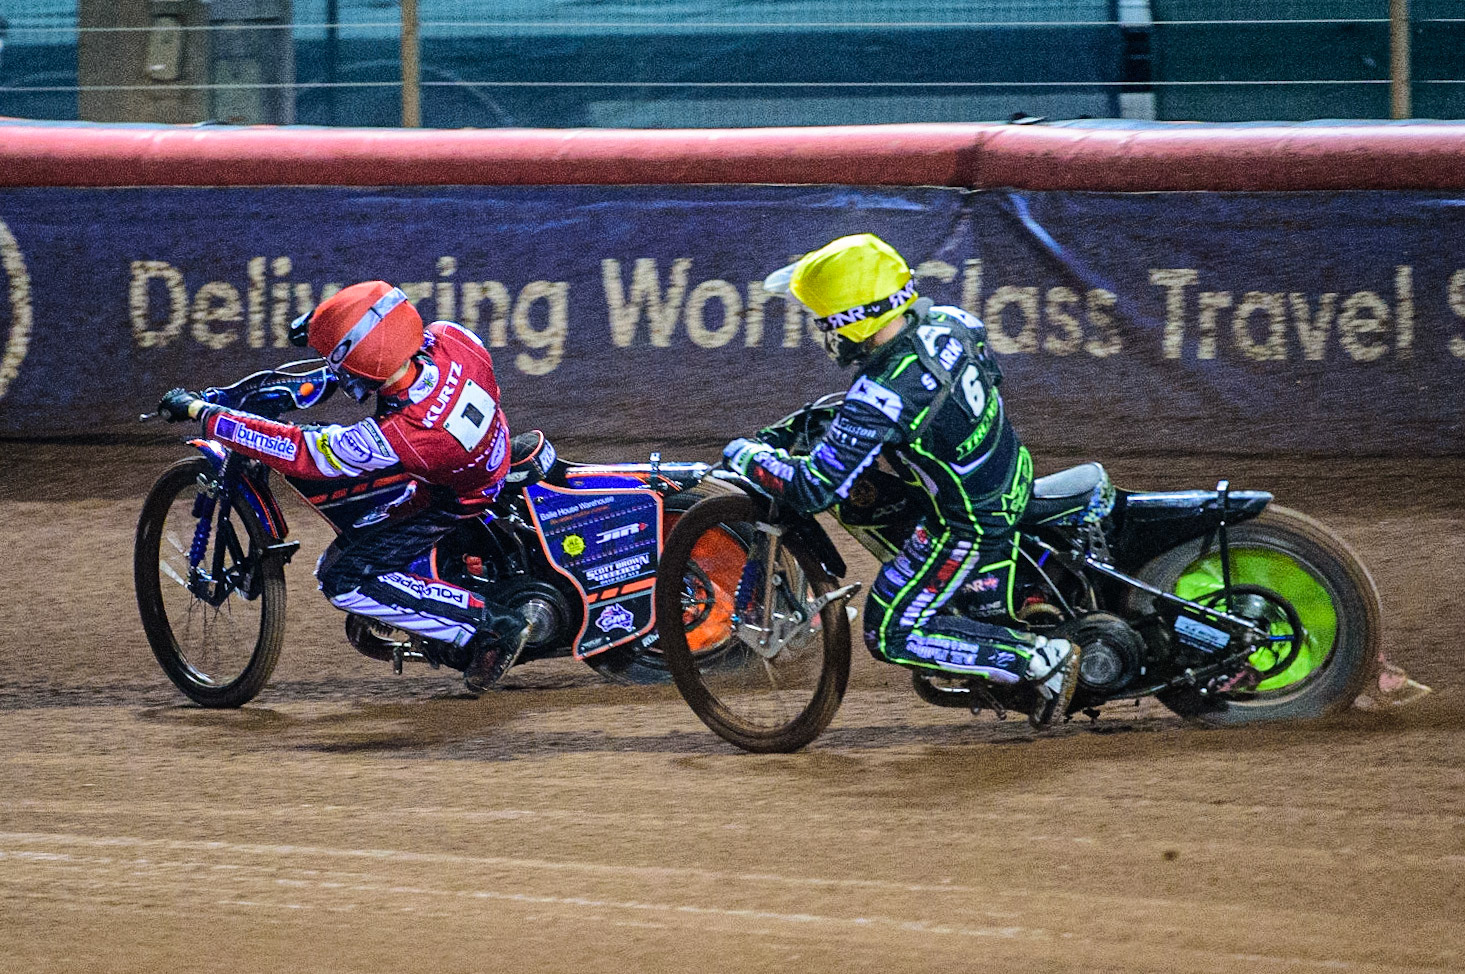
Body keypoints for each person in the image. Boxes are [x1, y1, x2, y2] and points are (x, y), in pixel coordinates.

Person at [722, 233, 1079, 726]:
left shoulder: (882, 394)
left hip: (969, 524)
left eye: (823, 320)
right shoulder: (955, 321)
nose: (821, 331)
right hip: (1009, 473)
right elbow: (990, 378)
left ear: (852, 321)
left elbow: (813, 489)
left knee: (890, 632)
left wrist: (743, 455)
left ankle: (1039, 661)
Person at [157, 280, 525, 693]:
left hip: (455, 496)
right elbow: (374, 321)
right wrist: (321, 324)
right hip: (487, 445)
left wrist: (204, 413)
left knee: (342, 576)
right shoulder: (453, 337)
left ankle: (489, 628)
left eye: (339, 360)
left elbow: (300, 450)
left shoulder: (400, 435)